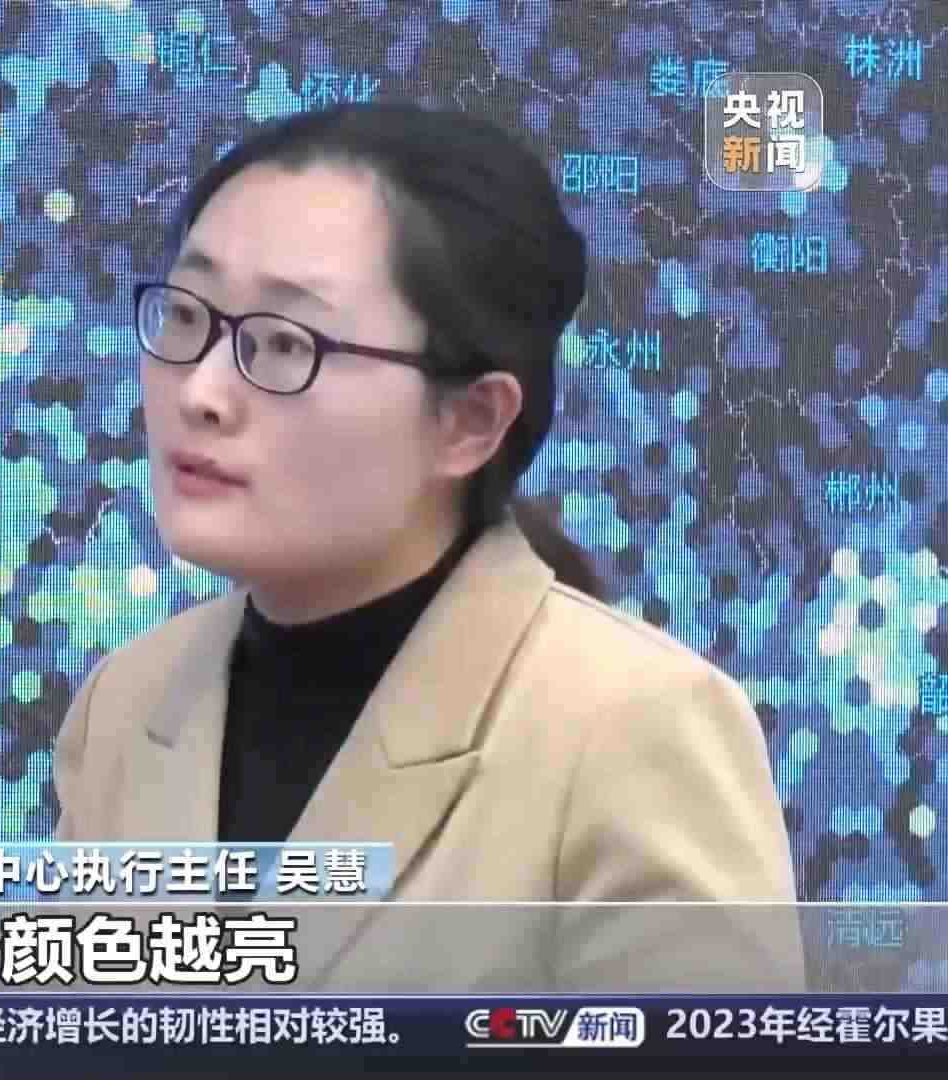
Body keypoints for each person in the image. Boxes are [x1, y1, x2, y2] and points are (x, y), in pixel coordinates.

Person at [50, 101, 803, 990]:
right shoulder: (127, 704)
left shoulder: (633, 724)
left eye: (283, 342)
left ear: (470, 420)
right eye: (186, 316)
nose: (201, 393)